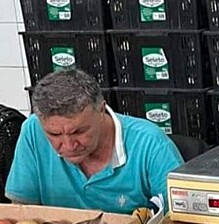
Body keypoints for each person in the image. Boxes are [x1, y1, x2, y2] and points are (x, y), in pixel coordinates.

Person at [5, 69, 184, 214]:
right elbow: (22, 213)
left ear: (101, 110)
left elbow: (181, 220)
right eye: (54, 134)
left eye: (79, 131)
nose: (68, 146)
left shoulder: (151, 144)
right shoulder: (32, 130)